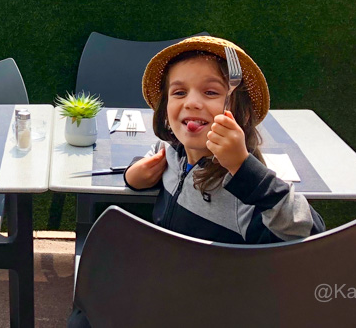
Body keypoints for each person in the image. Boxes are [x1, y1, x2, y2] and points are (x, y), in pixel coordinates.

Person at [68, 35, 325, 327]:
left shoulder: (245, 187)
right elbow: (149, 163)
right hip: (165, 283)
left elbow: (311, 233)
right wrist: (133, 176)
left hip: (209, 307)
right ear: (166, 111)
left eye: (211, 92)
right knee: (86, 308)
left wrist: (243, 167)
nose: (192, 102)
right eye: (179, 93)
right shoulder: (170, 151)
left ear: (237, 112)